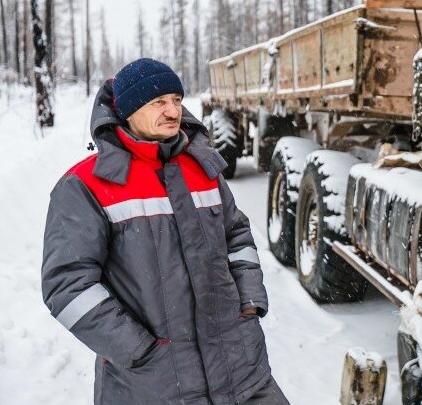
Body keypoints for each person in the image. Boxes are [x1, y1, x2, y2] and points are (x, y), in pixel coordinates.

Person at [41, 58, 289, 405]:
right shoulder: (86, 185)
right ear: (128, 110)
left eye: (176, 100)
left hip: (242, 371)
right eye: (158, 102)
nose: (173, 111)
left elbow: (237, 236)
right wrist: (137, 349)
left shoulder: (203, 168)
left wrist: (248, 304)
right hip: (153, 387)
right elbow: (68, 285)